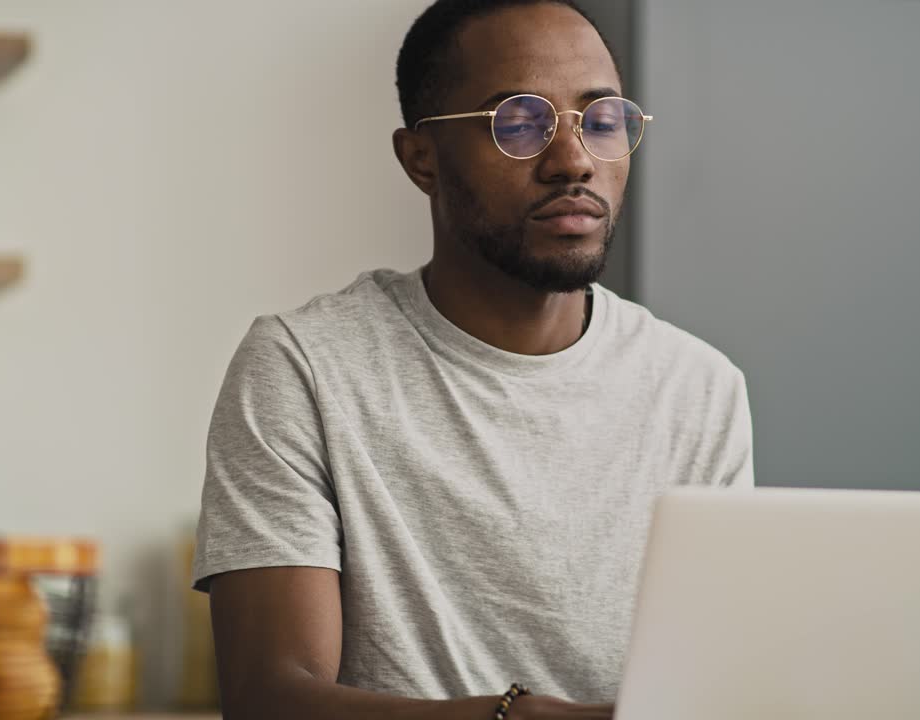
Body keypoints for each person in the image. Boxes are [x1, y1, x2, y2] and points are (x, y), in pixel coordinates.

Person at [191, 1, 754, 718]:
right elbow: (271, 698)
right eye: (518, 123)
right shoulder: (305, 367)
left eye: (602, 120)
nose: (573, 160)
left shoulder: (698, 389)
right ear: (420, 158)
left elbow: (711, 685)